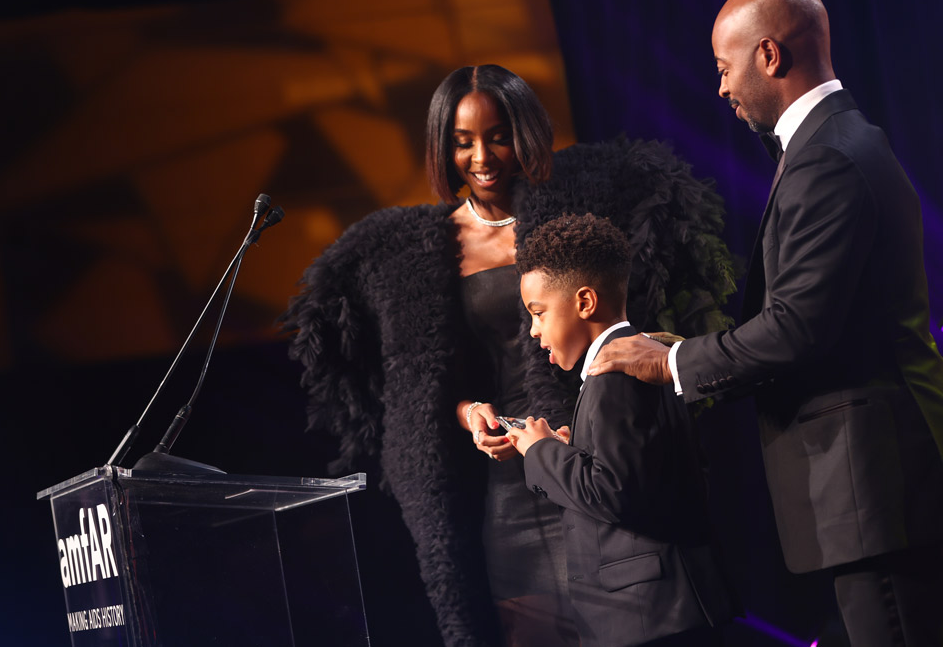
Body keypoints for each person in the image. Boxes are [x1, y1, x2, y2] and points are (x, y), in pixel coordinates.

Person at [283, 64, 736, 646]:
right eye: (463, 141)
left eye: (497, 136)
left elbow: (641, 320)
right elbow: (419, 388)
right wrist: (467, 414)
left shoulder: (582, 218)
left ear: (524, 133)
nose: (482, 157)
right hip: (507, 487)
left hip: (592, 459)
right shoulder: (418, 251)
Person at [587, 0, 943, 644]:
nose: (720, 88)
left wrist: (671, 362)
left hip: (879, 487)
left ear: (769, 55)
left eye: (725, 68)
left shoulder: (829, 157)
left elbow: (796, 328)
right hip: (879, 486)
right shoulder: (836, 142)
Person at [506, 213, 734, 646]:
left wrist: (540, 451)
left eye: (538, 313)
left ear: (585, 302)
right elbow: (635, 472)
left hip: (653, 615)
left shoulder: (614, 370)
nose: (534, 331)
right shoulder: (638, 356)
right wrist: (571, 452)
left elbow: (614, 490)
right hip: (663, 611)